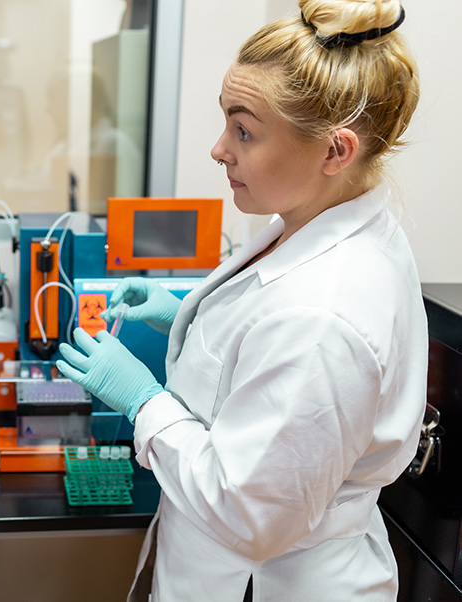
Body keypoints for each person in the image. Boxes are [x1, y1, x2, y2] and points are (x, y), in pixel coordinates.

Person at [57, 1, 424, 600]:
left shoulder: (323, 316)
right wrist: (186, 311)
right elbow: (271, 355)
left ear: (335, 151)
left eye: (244, 130)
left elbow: (251, 514)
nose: (219, 148)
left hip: (267, 579)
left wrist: (142, 400)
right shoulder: (325, 220)